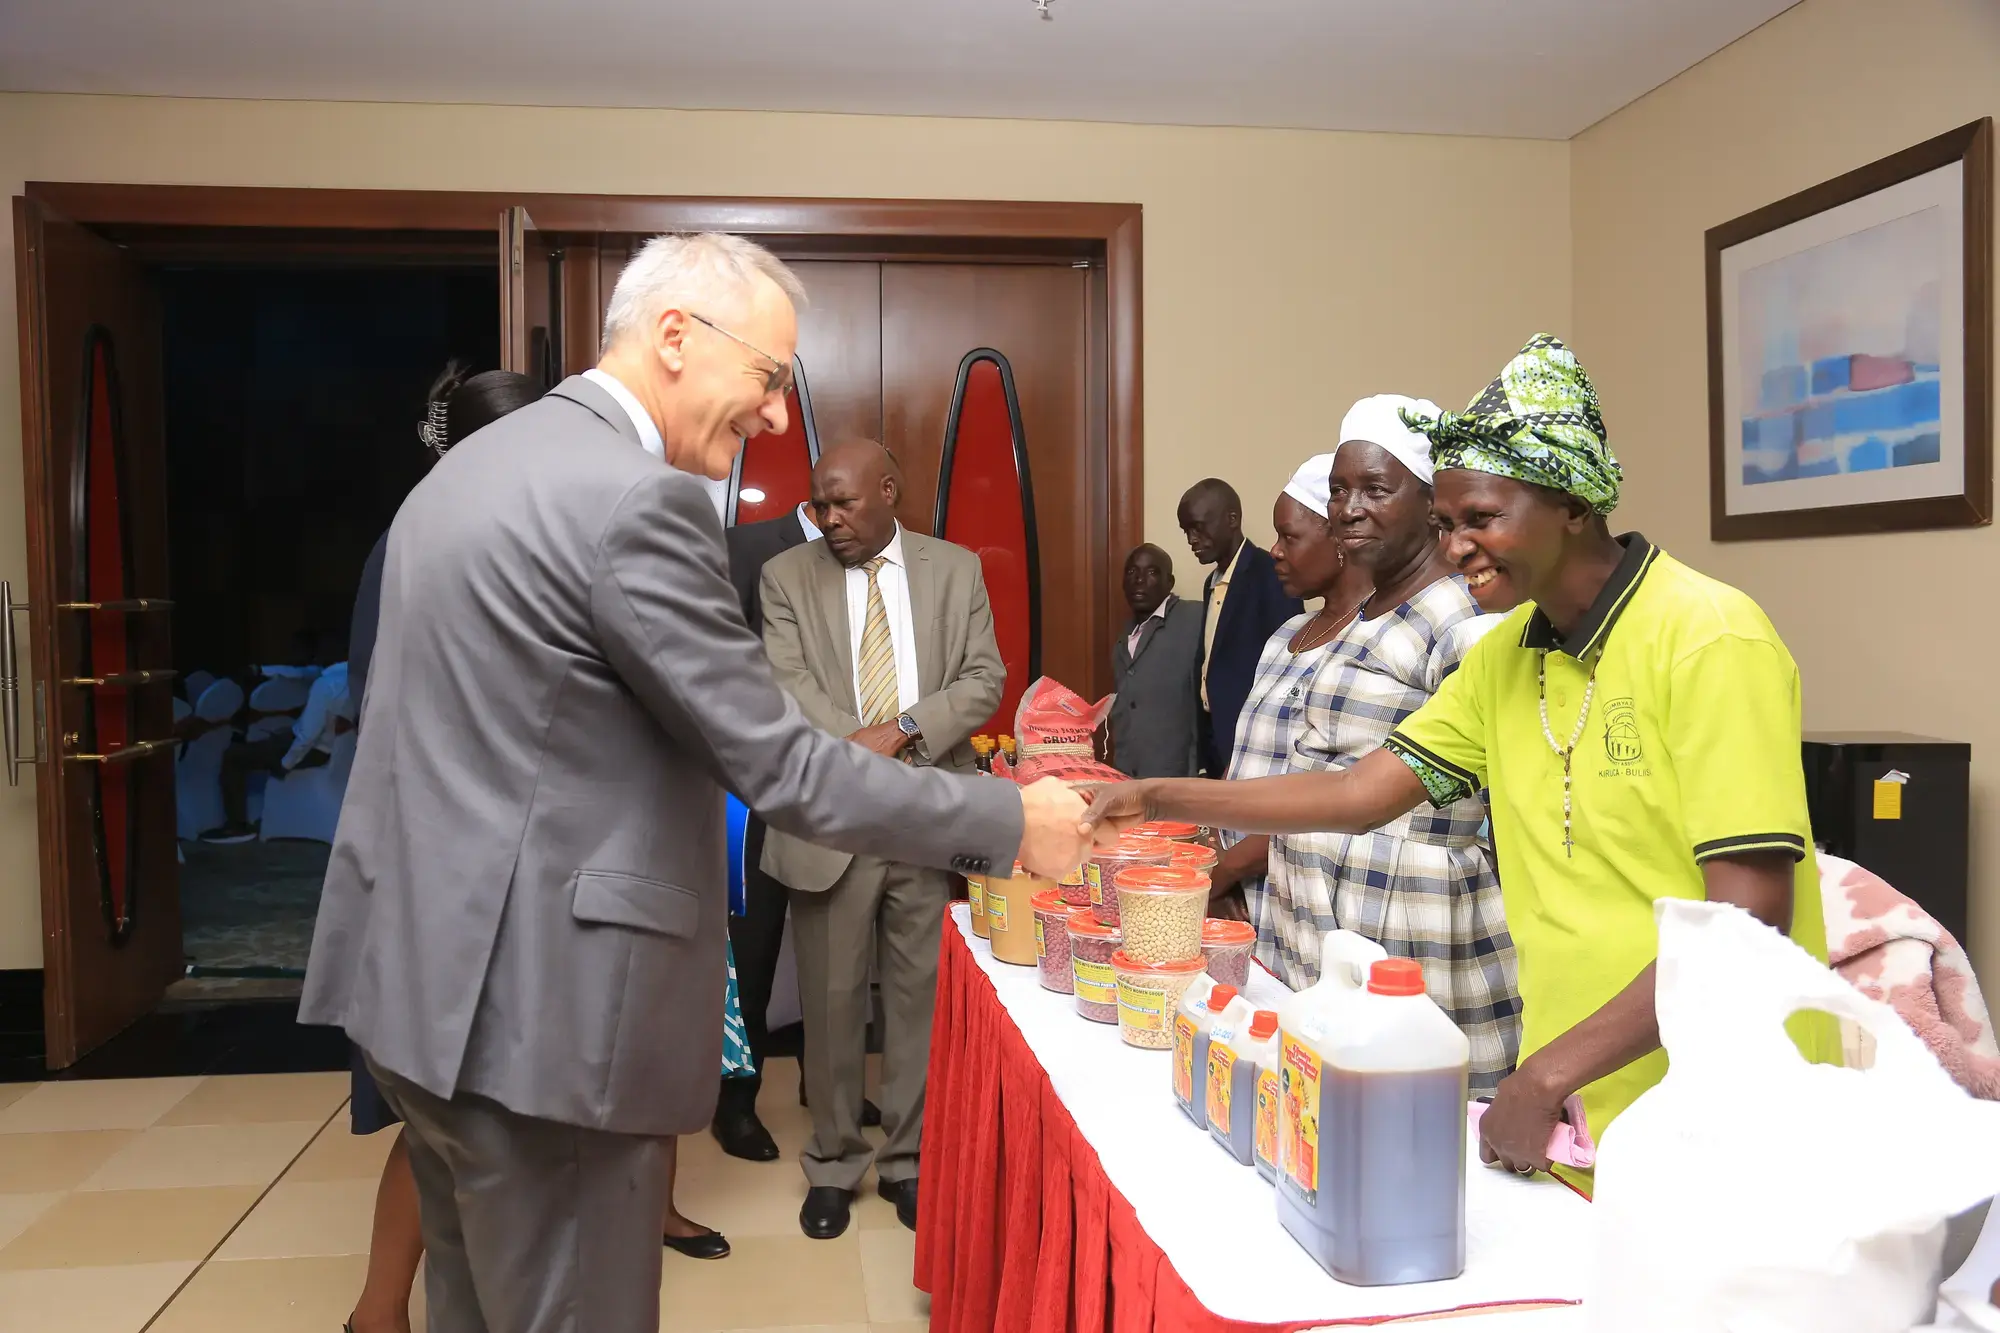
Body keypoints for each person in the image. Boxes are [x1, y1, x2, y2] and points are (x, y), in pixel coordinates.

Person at [302, 233, 1087, 1333]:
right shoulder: (633, 500)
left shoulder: (467, 473)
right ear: (675, 335)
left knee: (473, 1307)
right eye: (767, 376)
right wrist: (1011, 820)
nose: (774, 414)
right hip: (545, 1021)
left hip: (418, 992)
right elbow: (783, 764)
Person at [1085, 335, 1840, 1192]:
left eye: (1482, 518)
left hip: (1721, 1105)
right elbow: (1358, 793)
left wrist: (1547, 1074)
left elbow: (1746, 918)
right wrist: (1154, 796)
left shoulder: (1708, 636)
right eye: (1446, 525)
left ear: (1573, 503)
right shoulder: (1507, 656)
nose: (1454, 549)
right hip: (1575, 1113)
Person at [759, 438, 1004, 1241]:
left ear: (889, 491)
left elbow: (983, 678)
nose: (828, 519)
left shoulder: (954, 570)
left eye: (844, 503)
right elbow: (787, 687)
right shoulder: (785, 576)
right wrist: (859, 749)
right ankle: (833, 1162)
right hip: (833, 816)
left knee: (916, 1000)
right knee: (831, 1003)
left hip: (926, 812)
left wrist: (901, 730)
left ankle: (909, 1161)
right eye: (819, 505)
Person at [1292, 395, 1519, 1095]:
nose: (1348, 509)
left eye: (1374, 489)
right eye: (1338, 490)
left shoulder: (1463, 616)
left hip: (1415, 936)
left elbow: (1509, 795)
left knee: (1415, 1124)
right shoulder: (1367, 610)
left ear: (1428, 504)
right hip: (1338, 933)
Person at [1208, 454, 1372, 920]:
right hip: (1239, 884)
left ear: (1340, 540)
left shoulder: (1369, 642)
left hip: (1304, 891)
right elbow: (1247, 753)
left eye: (1290, 536)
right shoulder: (1286, 635)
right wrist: (1213, 841)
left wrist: (1227, 870)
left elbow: (1334, 798)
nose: (1275, 551)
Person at [712, 499, 821, 1164]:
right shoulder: (742, 548)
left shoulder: (873, 561)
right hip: (751, 794)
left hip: (835, 784)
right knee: (749, 950)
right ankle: (734, 1101)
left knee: (831, 943)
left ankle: (826, 1083)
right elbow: (713, 670)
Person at [1178, 478, 1303, 777]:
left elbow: (1289, 668)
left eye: (1198, 527)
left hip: (1253, 741)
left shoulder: (1270, 573)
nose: (1192, 539)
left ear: (1232, 519)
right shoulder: (1212, 582)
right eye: (1186, 531)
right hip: (1214, 737)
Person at [202, 638, 353, 844]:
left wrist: (285, 764)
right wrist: (261, 670)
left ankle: (236, 827)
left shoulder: (325, 685)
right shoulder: (353, 678)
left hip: (313, 752)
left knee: (233, 756)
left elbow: (306, 737)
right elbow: (300, 673)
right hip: (334, 750)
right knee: (275, 737)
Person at [1105, 543, 1203, 779]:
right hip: (1127, 779)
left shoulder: (1195, 618)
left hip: (1179, 780)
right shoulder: (1124, 639)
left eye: (1151, 572)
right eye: (1132, 572)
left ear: (1169, 582)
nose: (1139, 580)